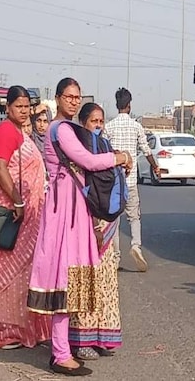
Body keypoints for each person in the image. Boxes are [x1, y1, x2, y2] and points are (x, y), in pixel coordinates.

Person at [28, 80, 132, 376]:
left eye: (77, 97)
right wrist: (120, 157)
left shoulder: (71, 129)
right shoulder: (60, 130)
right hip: (65, 213)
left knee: (71, 283)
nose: (73, 102)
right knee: (65, 280)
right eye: (68, 97)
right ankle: (60, 354)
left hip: (76, 211)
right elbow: (86, 160)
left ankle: (63, 350)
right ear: (58, 99)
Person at [0, 85, 50, 350]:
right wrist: (18, 200)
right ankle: (4, 331)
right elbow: (0, 167)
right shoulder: (5, 131)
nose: (23, 111)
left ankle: (22, 327)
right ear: (7, 107)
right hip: (11, 213)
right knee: (6, 273)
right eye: (18, 107)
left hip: (27, 215)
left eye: (26, 107)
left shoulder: (21, 132)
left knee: (25, 272)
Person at [72, 102, 123, 358]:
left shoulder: (105, 149)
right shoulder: (79, 151)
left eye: (101, 121)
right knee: (83, 279)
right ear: (83, 123)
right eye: (93, 121)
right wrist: (93, 224)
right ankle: (81, 340)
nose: (98, 126)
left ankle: (104, 337)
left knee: (106, 282)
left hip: (107, 225)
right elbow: (80, 187)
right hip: (85, 224)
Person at [103, 87, 159, 272]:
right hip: (131, 180)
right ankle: (136, 245)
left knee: (114, 219)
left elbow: (104, 151)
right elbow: (146, 149)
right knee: (134, 217)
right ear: (129, 105)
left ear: (117, 104)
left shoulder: (108, 127)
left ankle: (116, 255)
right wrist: (154, 165)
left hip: (113, 181)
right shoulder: (136, 126)